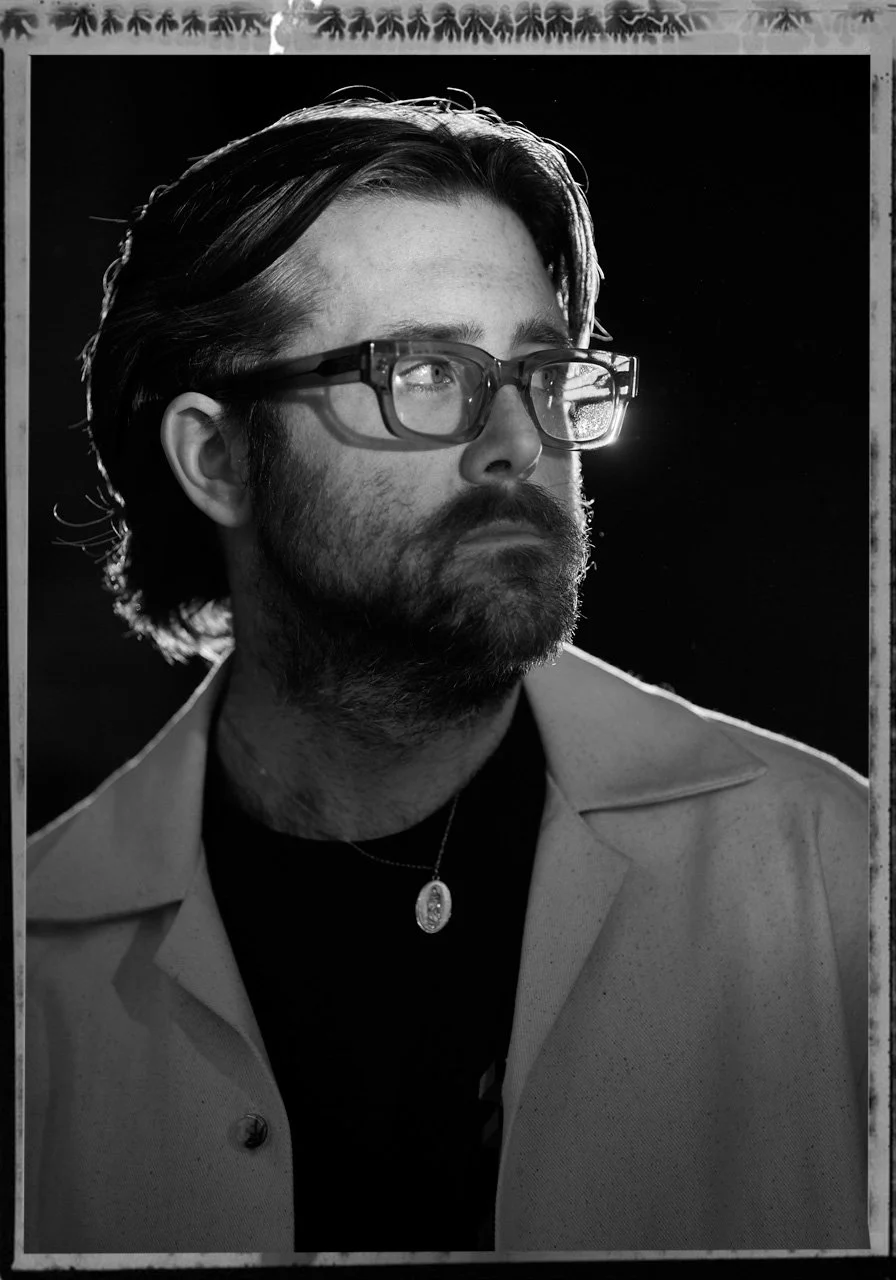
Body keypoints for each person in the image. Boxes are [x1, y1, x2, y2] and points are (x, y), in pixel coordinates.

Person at [25, 95, 869, 1254]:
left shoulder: (829, 876)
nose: (520, 441)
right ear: (217, 458)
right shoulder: (39, 961)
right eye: (423, 371)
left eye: (542, 370)